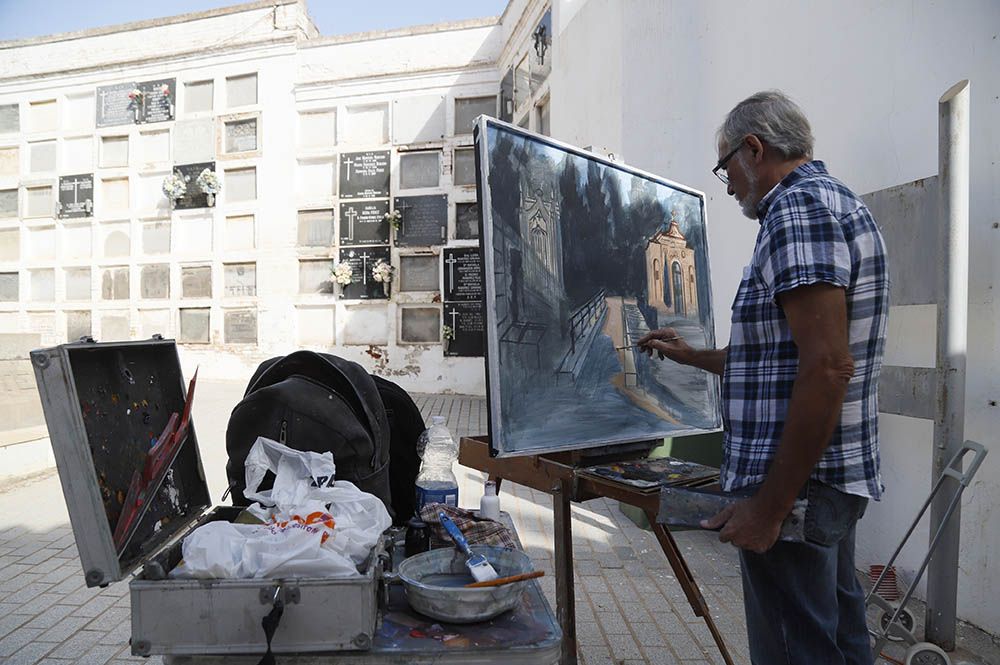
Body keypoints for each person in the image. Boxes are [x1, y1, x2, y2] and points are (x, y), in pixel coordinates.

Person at [638, 90, 889, 665]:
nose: (726, 185)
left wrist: (769, 508)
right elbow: (784, 359)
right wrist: (695, 356)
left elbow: (827, 368)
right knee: (841, 638)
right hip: (823, 476)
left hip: (796, 485)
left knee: (794, 647)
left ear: (753, 149)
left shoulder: (796, 212)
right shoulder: (837, 204)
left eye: (725, 166)